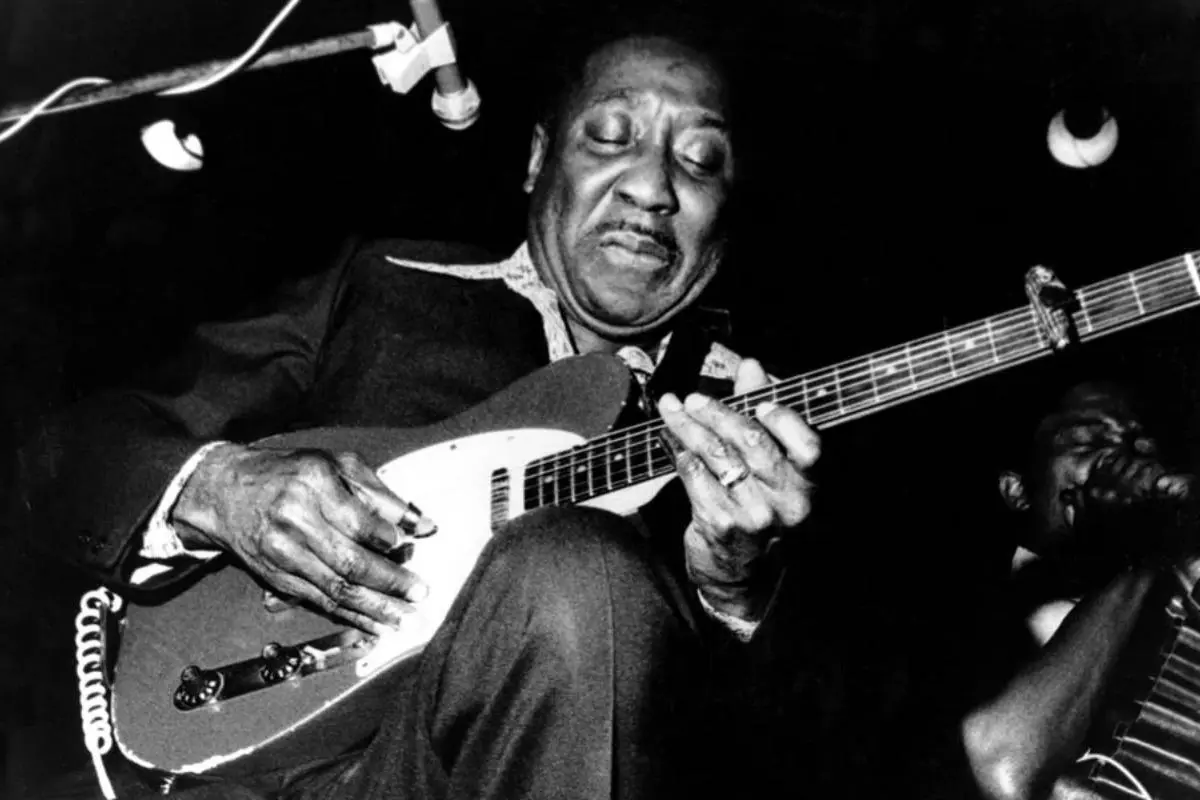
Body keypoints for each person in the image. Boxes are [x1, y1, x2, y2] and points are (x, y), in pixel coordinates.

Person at [16, 16, 826, 800]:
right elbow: (65, 454)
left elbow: (781, 753)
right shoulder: (384, 281)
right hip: (217, 761)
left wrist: (732, 596)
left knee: (577, 566)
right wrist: (217, 487)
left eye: (701, 160)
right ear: (539, 159)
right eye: (611, 137)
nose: (653, 187)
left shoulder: (743, 442)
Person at [961, 381, 1200, 800]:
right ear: (1018, 491)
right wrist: (1137, 551)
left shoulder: (1178, 571)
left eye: (1139, 446)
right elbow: (1004, 760)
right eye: (1087, 440)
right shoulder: (973, 625)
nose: (1118, 457)